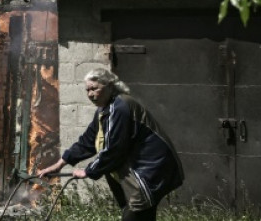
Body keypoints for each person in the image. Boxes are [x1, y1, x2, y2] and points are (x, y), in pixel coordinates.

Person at [36, 68, 183, 221]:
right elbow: (87, 141)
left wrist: (88, 170)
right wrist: (59, 165)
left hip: (149, 168)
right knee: (138, 214)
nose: (90, 94)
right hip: (135, 170)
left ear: (110, 86)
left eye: (94, 89)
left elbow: (114, 149)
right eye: (87, 90)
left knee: (136, 213)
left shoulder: (120, 107)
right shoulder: (104, 109)